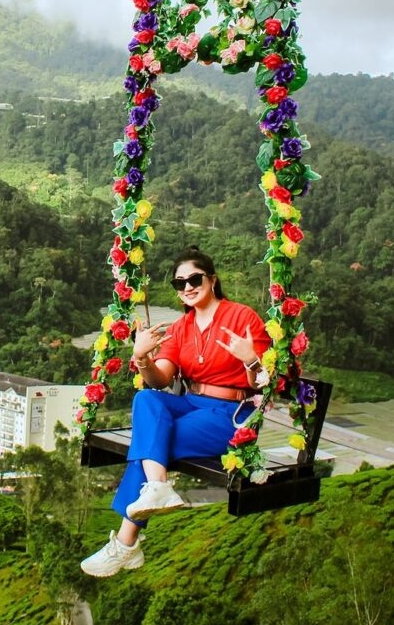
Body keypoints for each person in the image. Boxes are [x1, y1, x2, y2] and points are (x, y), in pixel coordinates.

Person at [81, 245, 271, 577]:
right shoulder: (181, 327)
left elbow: (262, 384)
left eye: (194, 279)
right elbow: (160, 380)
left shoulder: (241, 317)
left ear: (212, 280)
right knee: (146, 400)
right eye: (179, 284)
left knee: (153, 444)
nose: (187, 288)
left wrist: (250, 358)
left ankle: (127, 543)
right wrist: (142, 358)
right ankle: (156, 490)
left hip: (229, 412)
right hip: (191, 403)